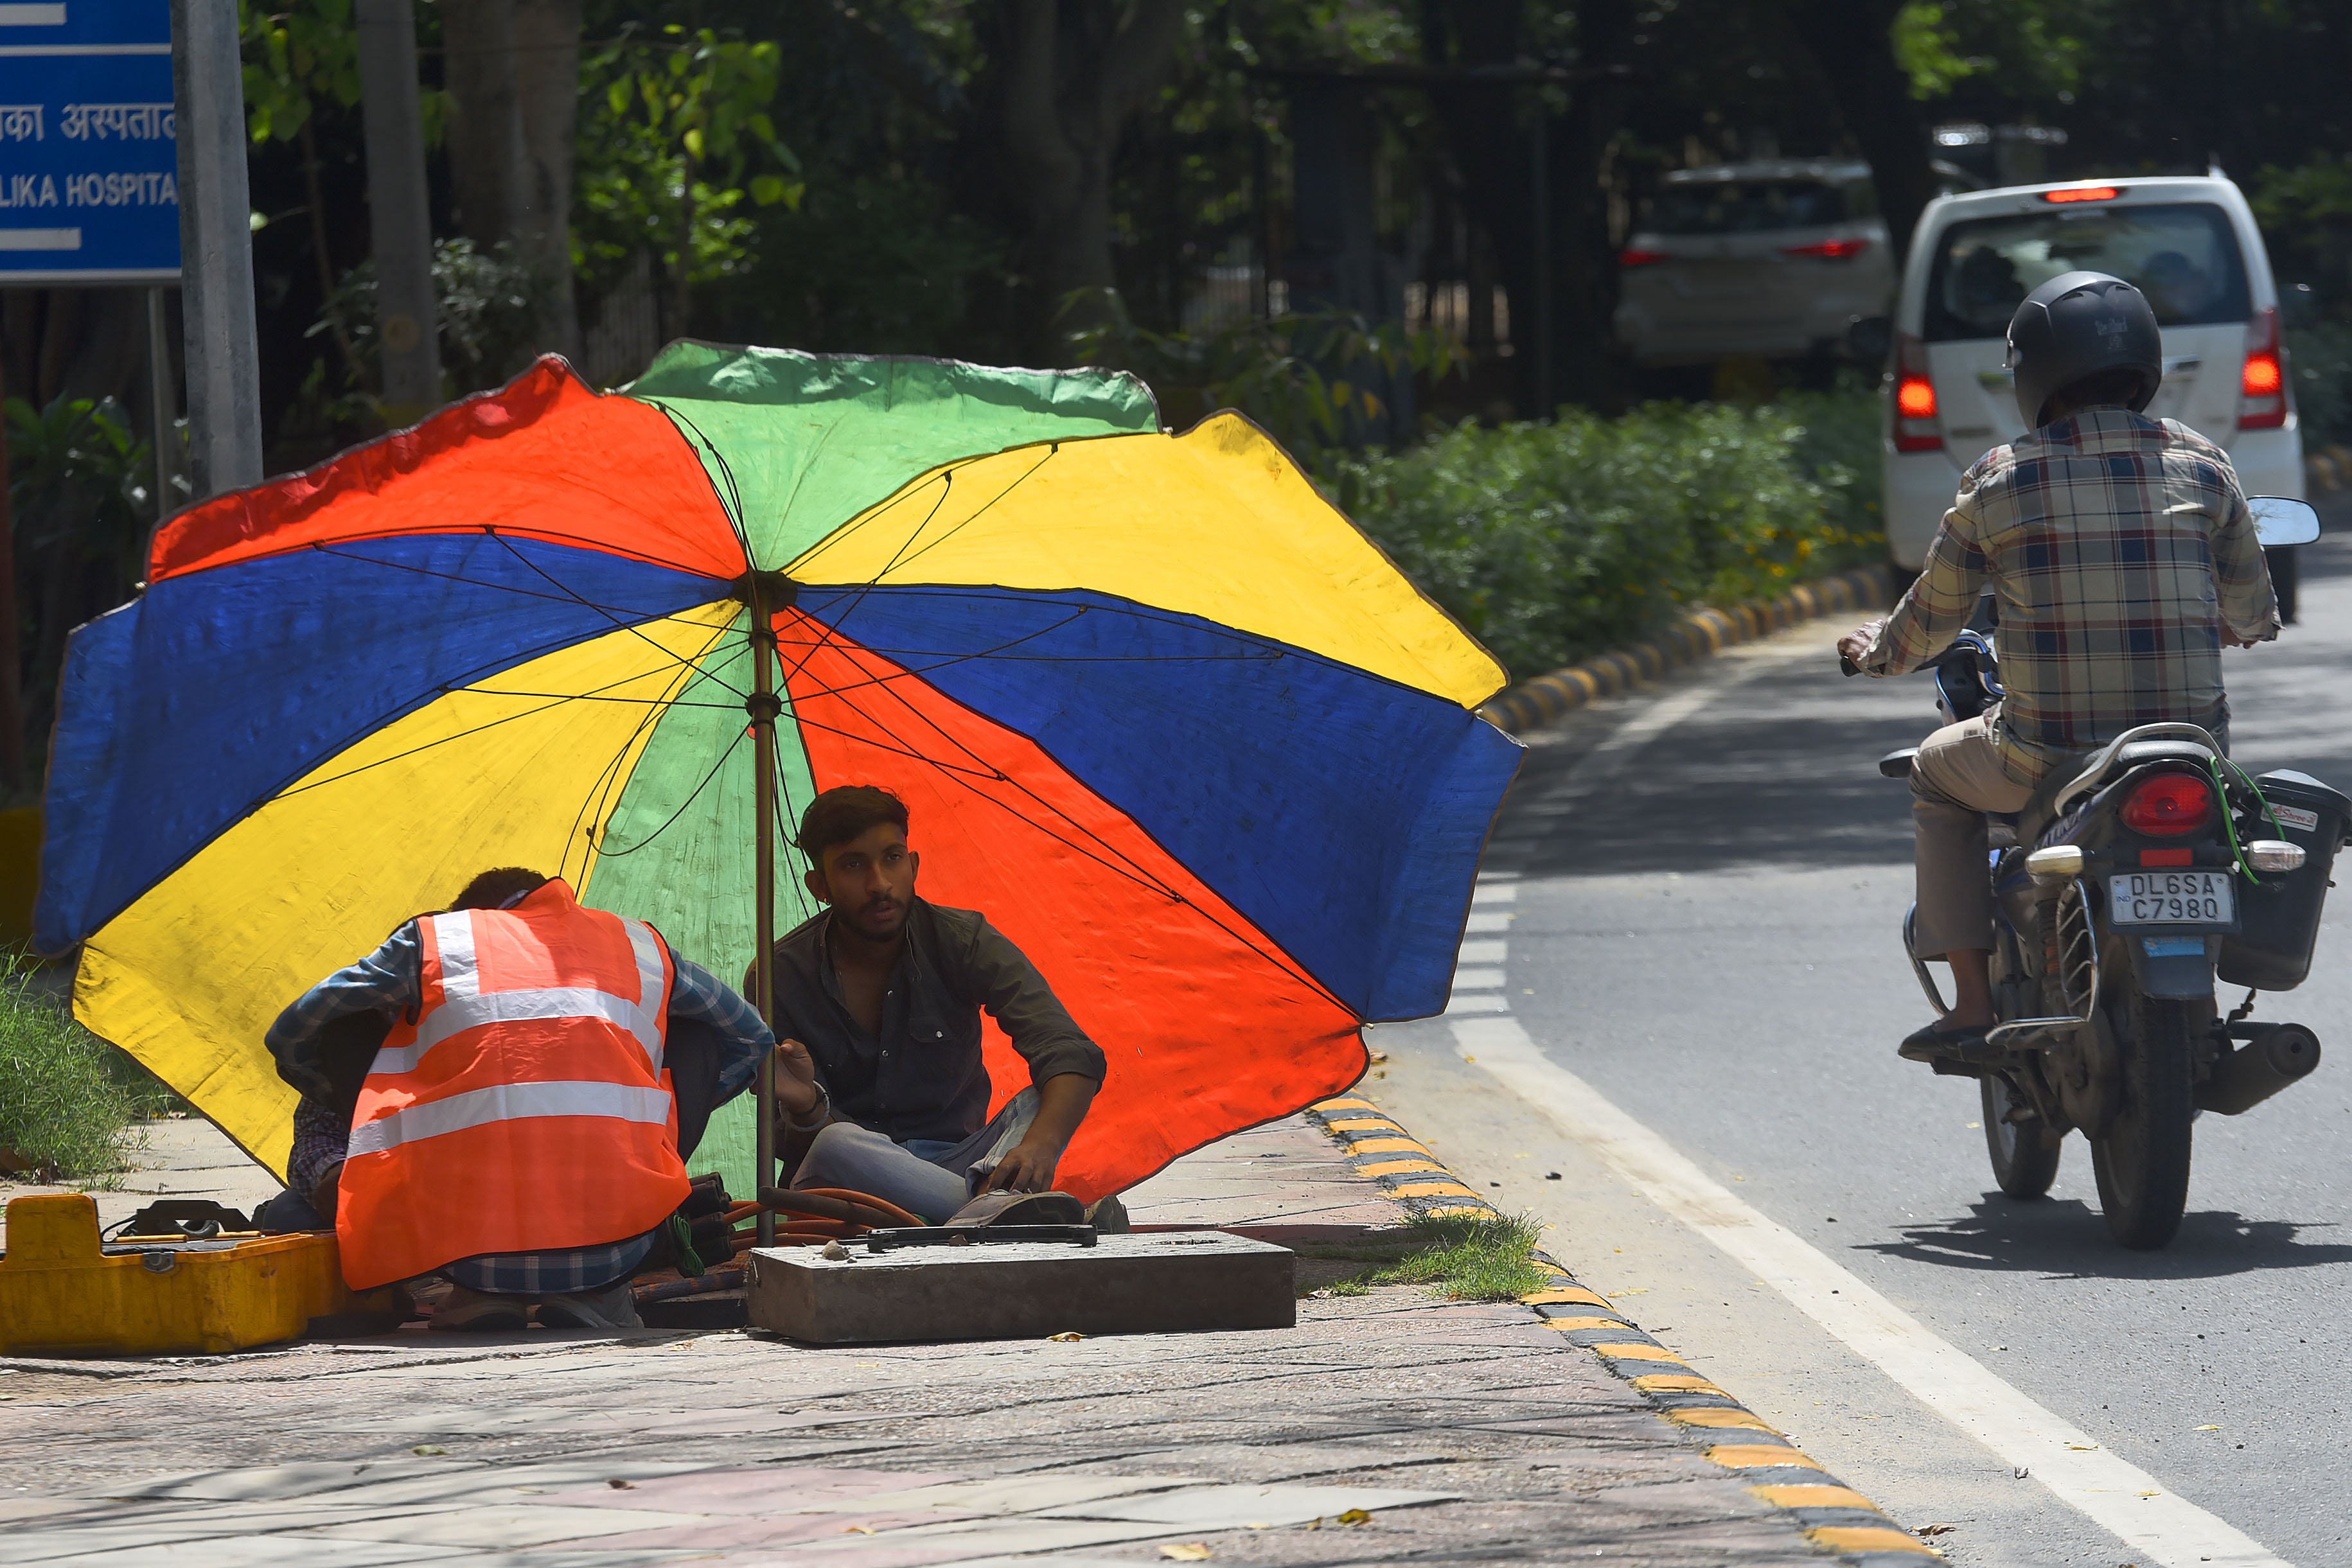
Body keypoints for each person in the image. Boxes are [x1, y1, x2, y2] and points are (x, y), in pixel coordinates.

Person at [1839, 270, 2279, 1062]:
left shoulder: (2000, 479)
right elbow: (2254, 614)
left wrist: (1872, 651)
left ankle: (1971, 1003)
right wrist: (2225, 617)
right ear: (2143, 362)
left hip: (2045, 756)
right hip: (2187, 753)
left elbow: (1926, 624)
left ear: (2034, 372)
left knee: (1935, 776)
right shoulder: (2206, 464)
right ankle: (2202, 1002)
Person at [261, 867, 772, 1330]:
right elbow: (751, 1037)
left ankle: (478, 1293)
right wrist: (655, 1120)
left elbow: (297, 1028)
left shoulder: (438, 944)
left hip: (461, 1251)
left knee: (341, 1037)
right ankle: (599, 1291)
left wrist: (370, 1107)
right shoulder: (637, 945)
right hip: (621, 1242)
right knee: (699, 1035)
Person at [752, 786, 1110, 1224]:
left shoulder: (965, 941)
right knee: (837, 1141)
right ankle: (995, 1217)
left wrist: (1041, 1145)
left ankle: (979, 1213)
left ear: (914, 864)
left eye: (892, 857)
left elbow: (1070, 1051)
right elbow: (791, 1143)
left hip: (963, 1167)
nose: (879, 883)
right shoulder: (775, 976)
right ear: (820, 885)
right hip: (849, 1191)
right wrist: (806, 1106)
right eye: (852, 864)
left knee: (1042, 1096)